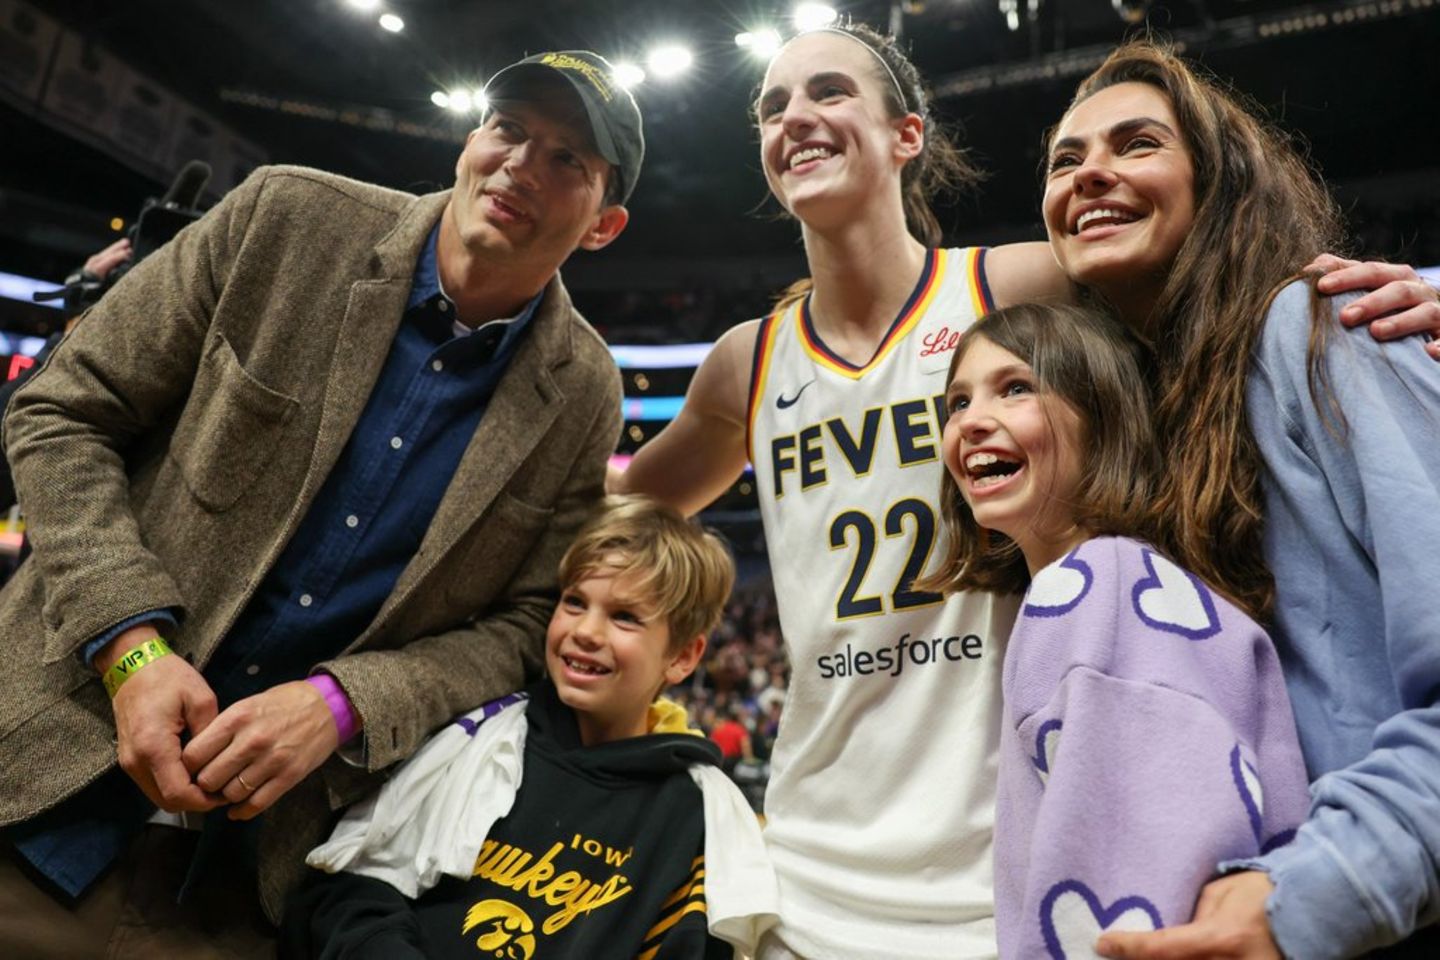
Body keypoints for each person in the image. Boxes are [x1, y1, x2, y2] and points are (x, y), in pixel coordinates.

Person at [611, 21, 1434, 960]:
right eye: (770, 107)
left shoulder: (1023, 283)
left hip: (1013, 860)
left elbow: (1204, 271)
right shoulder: (743, 365)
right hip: (810, 859)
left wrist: (1392, 327)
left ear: (907, 134)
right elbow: (618, 513)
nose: (796, 117)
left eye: (829, 91)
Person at [0, 49, 637, 956]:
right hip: (38, 773)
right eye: (510, 129)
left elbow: (524, 622)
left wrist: (345, 705)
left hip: (252, 881)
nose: (521, 164)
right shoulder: (287, 217)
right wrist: (130, 648)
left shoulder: (584, 395)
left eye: (569, 159)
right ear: (470, 140)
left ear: (605, 225)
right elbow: (64, 409)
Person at [1030, 41, 1440, 959]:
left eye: (1137, 144)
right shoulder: (1136, 430)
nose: (1091, 169)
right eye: (1065, 160)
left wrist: (1318, 893)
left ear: (1220, 184)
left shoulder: (1322, 329)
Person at [923, 301, 1312, 956]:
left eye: (1016, 388)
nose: (972, 422)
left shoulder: (1097, 590)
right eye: (957, 402)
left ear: (1102, 419)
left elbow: (1135, 904)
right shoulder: (1121, 585)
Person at [283, 495, 775, 959]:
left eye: (625, 617)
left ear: (684, 656)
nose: (585, 631)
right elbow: (351, 890)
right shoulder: (476, 734)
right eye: (575, 602)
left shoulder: (696, 812)